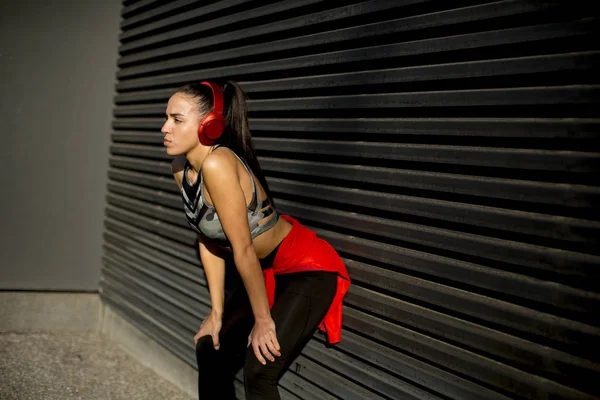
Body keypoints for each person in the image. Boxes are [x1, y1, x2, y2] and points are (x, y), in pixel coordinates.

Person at [161, 80, 350, 400]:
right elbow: (207, 240)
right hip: (264, 270)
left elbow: (244, 248)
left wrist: (263, 321)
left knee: (259, 370)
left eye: (177, 120)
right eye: (166, 117)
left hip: (306, 268)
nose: (165, 128)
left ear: (209, 125)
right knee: (210, 347)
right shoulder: (181, 168)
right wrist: (217, 312)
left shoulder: (218, 164)